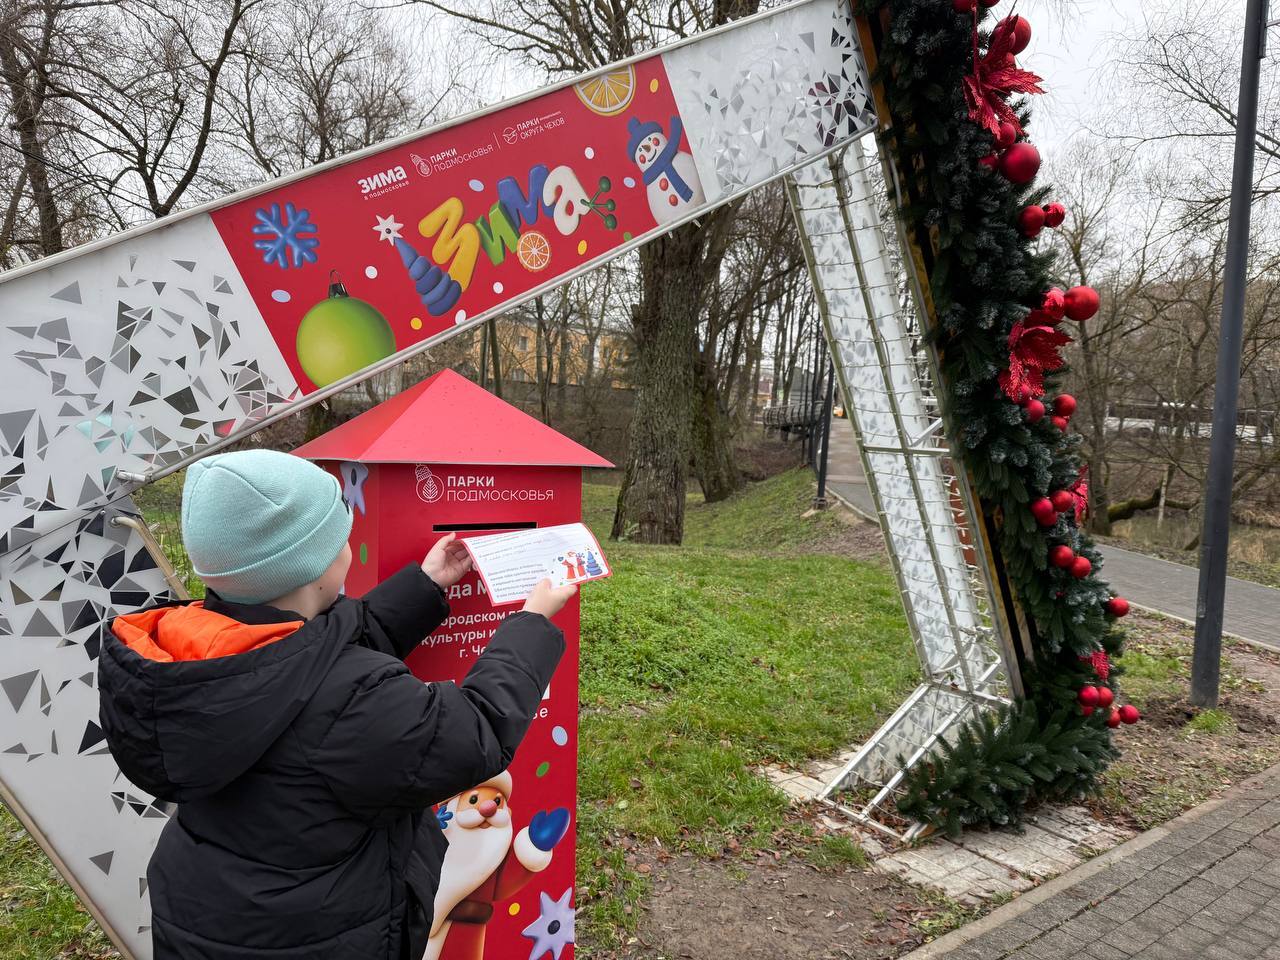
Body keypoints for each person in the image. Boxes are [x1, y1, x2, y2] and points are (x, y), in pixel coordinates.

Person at [97, 449, 572, 960]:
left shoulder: (200, 649)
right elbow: (474, 732)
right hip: (322, 936)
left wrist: (425, 586)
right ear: (314, 567)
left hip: (212, 917)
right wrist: (533, 624)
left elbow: (312, 656)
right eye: (340, 535)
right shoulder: (352, 697)